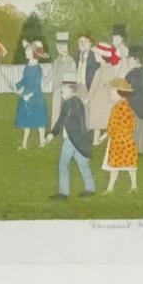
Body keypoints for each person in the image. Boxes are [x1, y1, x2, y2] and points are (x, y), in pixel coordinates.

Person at [49, 69, 95, 199]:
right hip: (80, 139)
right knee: (83, 164)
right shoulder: (77, 101)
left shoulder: (69, 103)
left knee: (63, 164)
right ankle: (90, 188)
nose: (61, 90)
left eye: (63, 88)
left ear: (71, 89)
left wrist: (52, 134)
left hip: (72, 139)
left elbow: (62, 120)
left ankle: (63, 193)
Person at [102, 78, 140, 193]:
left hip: (119, 141)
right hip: (126, 140)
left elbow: (112, 126)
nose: (110, 94)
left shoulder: (118, 108)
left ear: (119, 92)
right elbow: (132, 125)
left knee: (115, 166)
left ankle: (112, 188)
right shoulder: (127, 106)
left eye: (111, 92)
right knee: (129, 165)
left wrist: (103, 137)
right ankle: (132, 186)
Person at [14, 41, 50, 148]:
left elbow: (36, 85)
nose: (25, 52)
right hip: (26, 96)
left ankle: (42, 142)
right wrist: (17, 86)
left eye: (28, 50)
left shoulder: (38, 69)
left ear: (34, 53)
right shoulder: (27, 66)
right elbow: (25, 80)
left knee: (39, 120)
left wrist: (29, 95)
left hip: (36, 98)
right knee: (27, 121)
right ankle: (24, 144)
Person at [83, 33, 116, 140]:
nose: (95, 55)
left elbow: (94, 86)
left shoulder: (101, 70)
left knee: (100, 120)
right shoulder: (109, 69)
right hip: (103, 99)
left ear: (103, 57)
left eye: (97, 54)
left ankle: (102, 138)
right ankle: (97, 139)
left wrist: (87, 99)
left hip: (101, 99)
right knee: (101, 121)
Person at [123, 46, 143, 153]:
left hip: (134, 104)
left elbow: (126, 91)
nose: (127, 61)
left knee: (136, 128)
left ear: (136, 59)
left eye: (129, 59)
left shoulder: (130, 74)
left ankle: (138, 149)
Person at [48, 31, 71, 130]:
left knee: (67, 110)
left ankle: (67, 129)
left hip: (67, 90)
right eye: (58, 46)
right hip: (57, 89)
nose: (60, 48)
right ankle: (54, 130)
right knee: (55, 110)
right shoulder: (57, 60)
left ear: (67, 46)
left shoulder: (71, 61)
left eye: (63, 45)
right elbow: (51, 74)